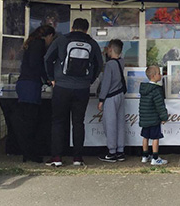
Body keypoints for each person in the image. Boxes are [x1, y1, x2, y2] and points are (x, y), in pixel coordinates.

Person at [44, 18, 103, 167]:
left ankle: (57, 157)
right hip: (82, 89)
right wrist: (90, 80)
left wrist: (51, 78)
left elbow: (47, 59)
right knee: (78, 122)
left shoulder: (61, 40)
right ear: (86, 29)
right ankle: (77, 158)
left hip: (62, 87)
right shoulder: (92, 43)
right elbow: (99, 64)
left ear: (72, 27)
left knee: (58, 122)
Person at [14, 25, 55, 163]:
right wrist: (47, 79)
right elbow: (36, 65)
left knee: (27, 120)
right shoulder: (39, 44)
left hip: (25, 84)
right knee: (30, 121)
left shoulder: (32, 43)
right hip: (30, 85)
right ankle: (30, 153)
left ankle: (27, 152)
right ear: (48, 36)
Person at [97, 39, 127, 163]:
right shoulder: (121, 62)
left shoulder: (110, 65)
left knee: (110, 124)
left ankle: (111, 152)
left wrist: (101, 99)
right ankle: (120, 151)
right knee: (120, 123)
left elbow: (106, 83)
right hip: (120, 94)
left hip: (110, 96)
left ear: (110, 49)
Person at [138, 65, 168, 165]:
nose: (160, 75)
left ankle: (144, 156)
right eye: (159, 73)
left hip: (145, 118)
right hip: (154, 118)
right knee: (155, 137)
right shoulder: (156, 90)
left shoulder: (143, 89)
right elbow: (159, 105)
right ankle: (155, 158)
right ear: (154, 76)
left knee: (145, 137)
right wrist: (164, 117)